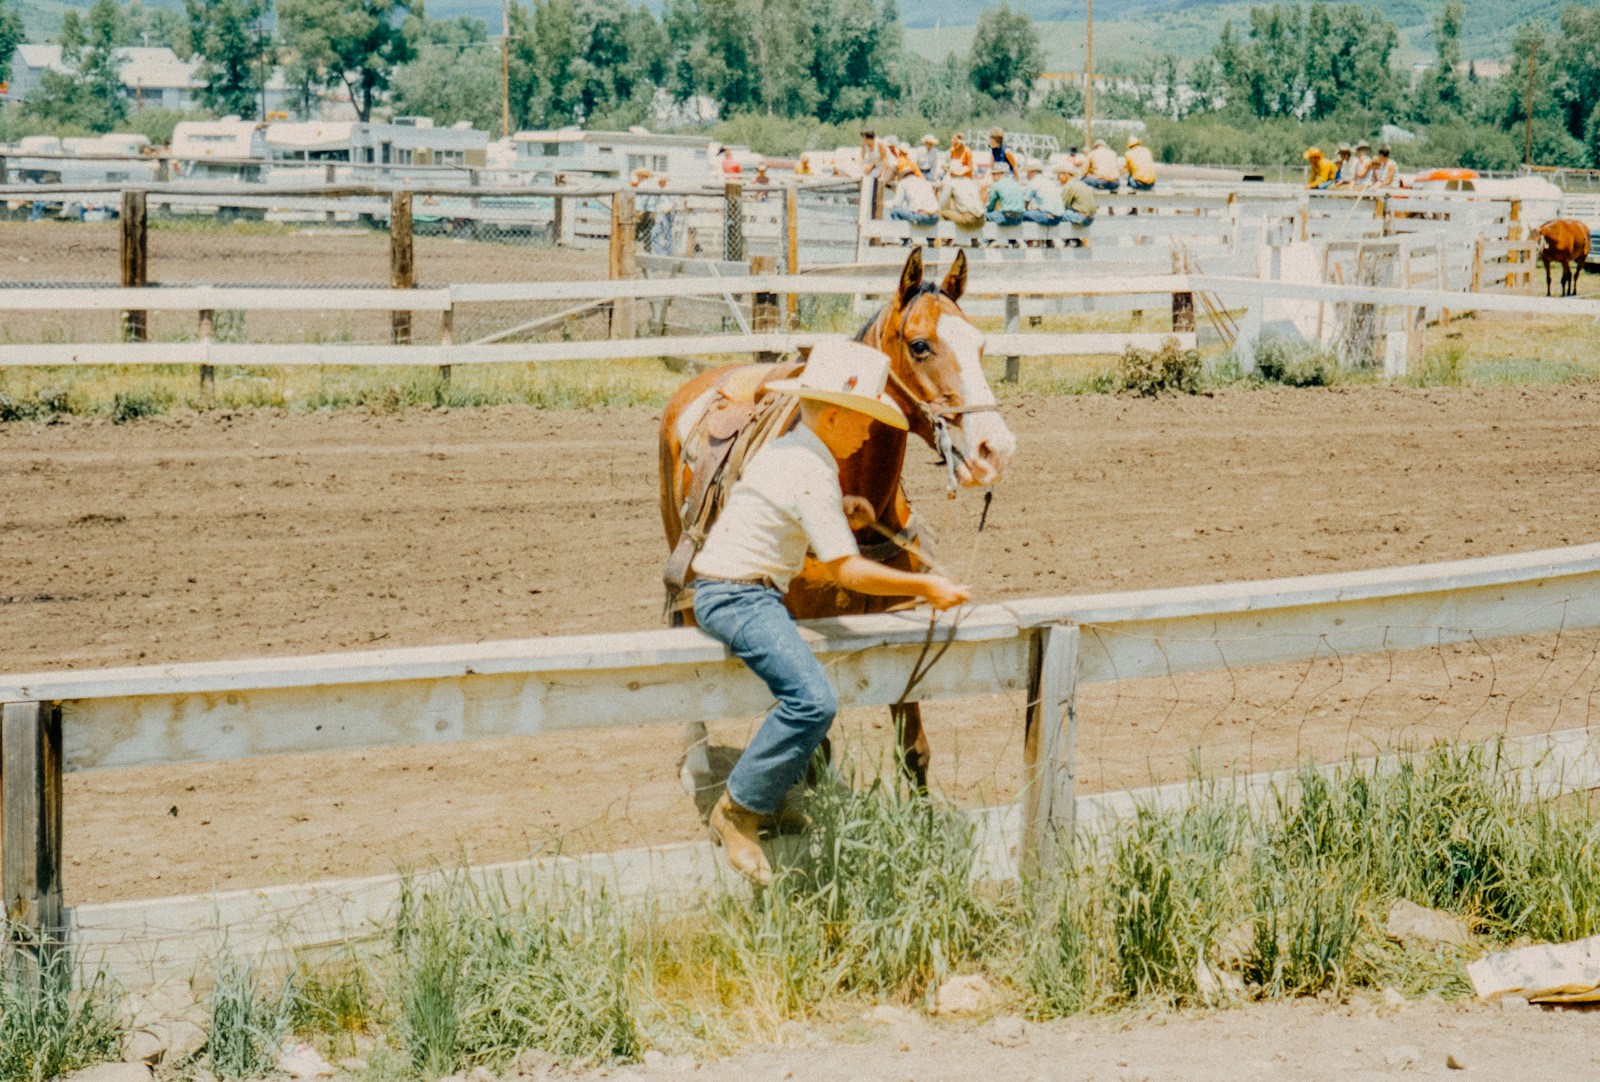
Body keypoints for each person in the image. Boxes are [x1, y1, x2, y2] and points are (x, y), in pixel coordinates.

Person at [693, 342, 971, 885]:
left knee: (806, 694)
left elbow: (785, 513)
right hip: (737, 595)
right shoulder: (811, 470)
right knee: (813, 700)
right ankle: (738, 809)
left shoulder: (796, 452)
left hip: (738, 588)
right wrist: (925, 585)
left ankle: (772, 794)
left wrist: (839, 509)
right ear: (838, 416)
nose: (869, 436)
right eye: (864, 423)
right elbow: (848, 571)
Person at [938, 160, 985, 232]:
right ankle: (974, 240)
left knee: (940, 212)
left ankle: (947, 237)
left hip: (968, 219)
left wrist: (948, 211)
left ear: (950, 173)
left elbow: (943, 204)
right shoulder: (970, 182)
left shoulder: (951, 184)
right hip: (981, 219)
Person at [888, 161, 939, 226]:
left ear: (902, 175)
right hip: (934, 217)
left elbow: (897, 204)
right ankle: (930, 236)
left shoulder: (903, 183)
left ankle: (903, 235)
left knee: (894, 211)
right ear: (913, 173)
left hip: (921, 217)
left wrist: (886, 204)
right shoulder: (925, 182)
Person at [1021, 160, 1065, 226]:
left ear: (1032, 172)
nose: (1026, 175)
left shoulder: (1033, 182)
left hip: (1047, 217)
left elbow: (1025, 204)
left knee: (1020, 215)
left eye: (1027, 172)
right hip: (1059, 217)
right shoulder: (1050, 181)